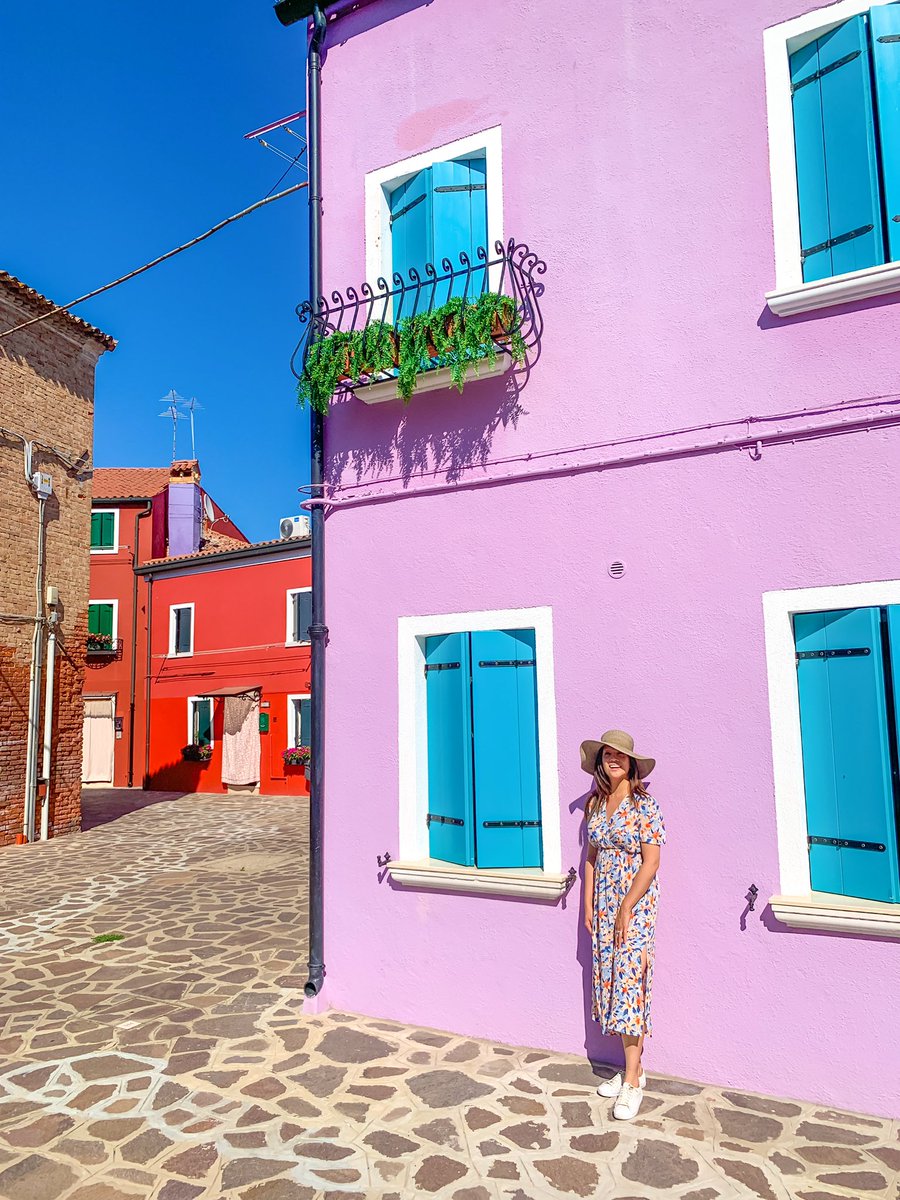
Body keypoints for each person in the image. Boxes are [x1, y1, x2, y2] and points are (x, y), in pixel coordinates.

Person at [581, 729, 666, 1121]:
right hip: (603, 907)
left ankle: (631, 1082)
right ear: (600, 761)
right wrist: (587, 906)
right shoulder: (596, 804)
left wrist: (627, 906)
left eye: (621, 755)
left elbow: (651, 862)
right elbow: (591, 858)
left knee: (630, 983)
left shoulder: (645, 805)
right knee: (612, 984)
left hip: (634, 907)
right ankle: (634, 1069)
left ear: (631, 762)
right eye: (608, 754)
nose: (614, 759)